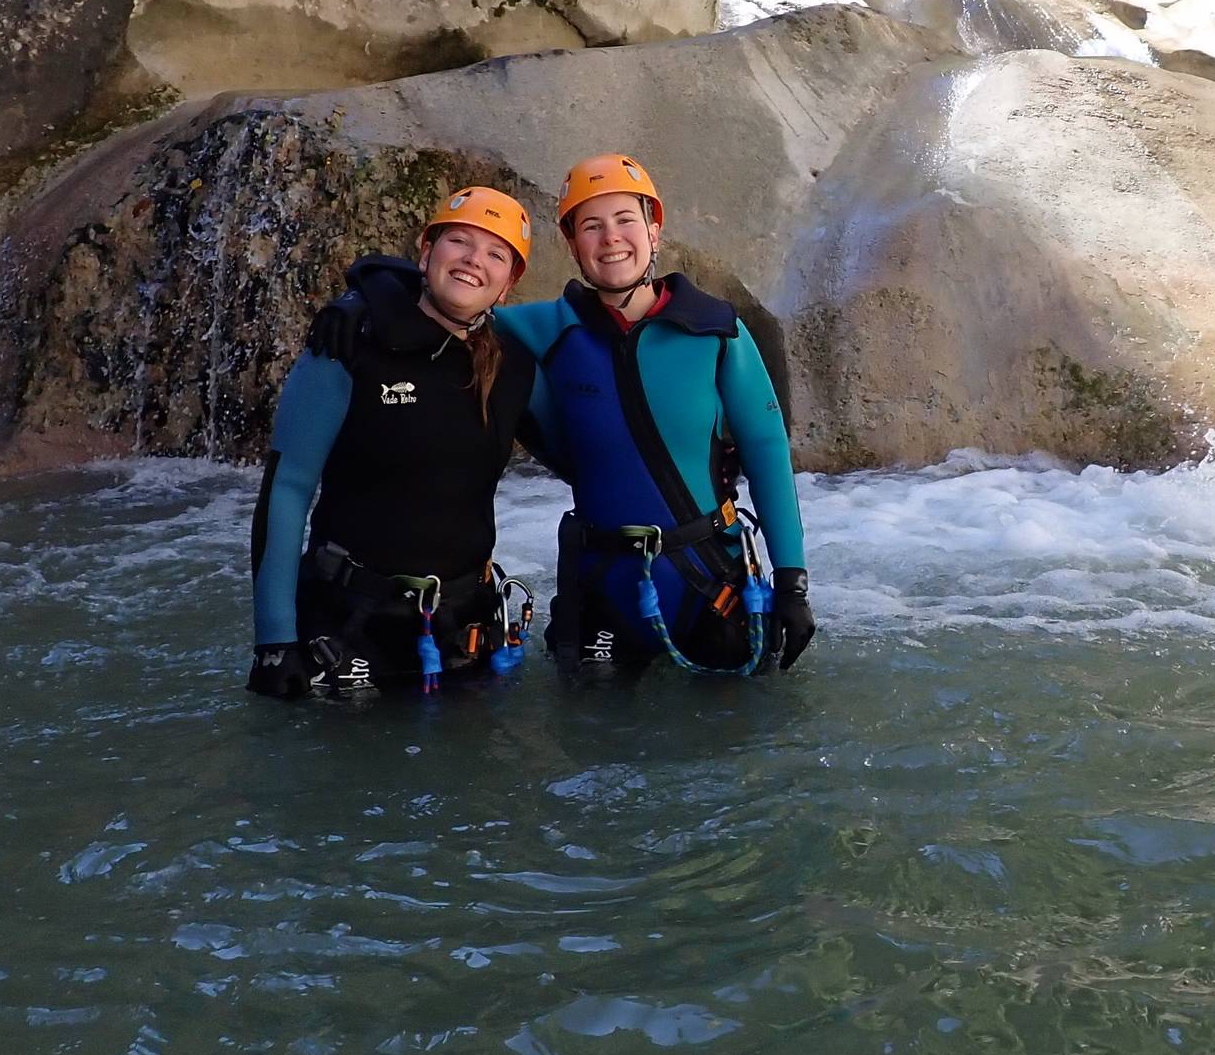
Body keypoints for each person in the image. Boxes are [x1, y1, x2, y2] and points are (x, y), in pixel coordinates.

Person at [492, 155, 816, 676]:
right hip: (602, 586)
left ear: (654, 231)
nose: (610, 238)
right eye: (591, 226)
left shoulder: (714, 330)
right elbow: (451, 306)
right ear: (572, 244)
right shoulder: (544, 329)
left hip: (711, 580)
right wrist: (367, 296)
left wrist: (792, 582)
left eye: (625, 220)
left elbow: (766, 450)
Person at [246, 187, 545, 699]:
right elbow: (287, 488)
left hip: (461, 629)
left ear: (508, 284)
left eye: (496, 254)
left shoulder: (514, 365)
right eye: (459, 241)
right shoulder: (347, 345)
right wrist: (274, 641)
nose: (474, 260)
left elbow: (587, 456)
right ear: (426, 253)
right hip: (347, 627)